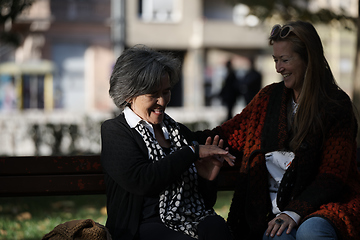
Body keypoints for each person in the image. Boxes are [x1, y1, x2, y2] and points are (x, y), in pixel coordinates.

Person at [194, 20, 360, 240]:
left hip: (324, 206)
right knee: (277, 236)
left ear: (308, 59)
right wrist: (169, 131)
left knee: (312, 232)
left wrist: (294, 212)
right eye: (275, 59)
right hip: (273, 216)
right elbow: (226, 135)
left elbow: (332, 174)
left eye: (285, 60)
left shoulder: (335, 104)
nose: (278, 68)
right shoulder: (268, 99)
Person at [100, 45, 235, 240]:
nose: (162, 101)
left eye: (166, 91)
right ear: (129, 94)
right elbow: (142, 181)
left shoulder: (178, 132)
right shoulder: (116, 131)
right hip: (140, 227)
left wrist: (207, 178)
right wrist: (191, 152)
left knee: (217, 227)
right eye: (153, 94)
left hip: (187, 220)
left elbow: (203, 204)